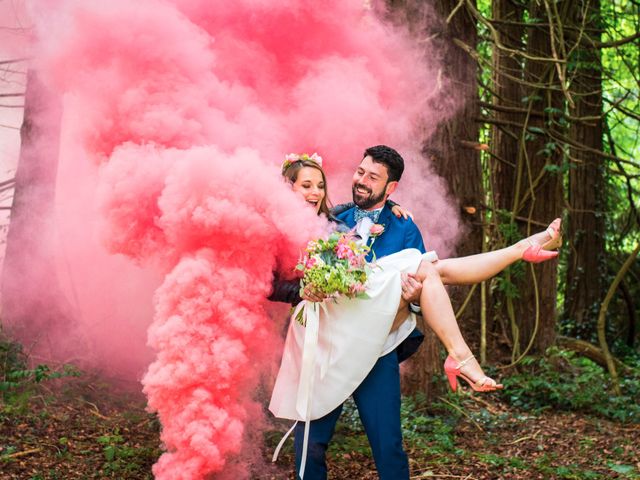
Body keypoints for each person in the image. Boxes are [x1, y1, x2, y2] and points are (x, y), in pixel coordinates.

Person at [268, 146, 561, 480]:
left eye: (372, 177)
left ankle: (520, 250)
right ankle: (512, 262)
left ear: (390, 188)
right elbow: (273, 280)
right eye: (360, 172)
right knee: (311, 444)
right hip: (329, 345)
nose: (361, 181)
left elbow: (425, 296)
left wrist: (417, 297)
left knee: (388, 444)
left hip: (378, 347)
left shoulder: (404, 226)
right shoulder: (336, 218)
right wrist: (303, 290)